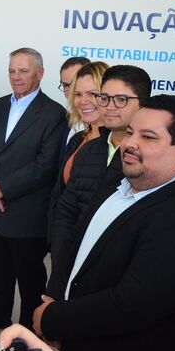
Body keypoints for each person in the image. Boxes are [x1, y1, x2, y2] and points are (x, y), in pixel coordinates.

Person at [34, 95, 175, 351]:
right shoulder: (121, 180)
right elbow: (80, 249)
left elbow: (131, 305)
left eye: (148, 137)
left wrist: (54, 319)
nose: (130, 143)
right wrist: (57, 298)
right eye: (130, 132)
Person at [0, 47, 66, 330]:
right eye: (12, 71)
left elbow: (45, 165)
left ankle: (28, 326)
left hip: (25, 211)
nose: (16, 77)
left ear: (40, 73)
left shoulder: (54, 114)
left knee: (30, 275)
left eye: (23, 71)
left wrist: (3, 189)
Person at [45, 64, 151, 300]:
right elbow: (67, 209)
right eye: (78, 94)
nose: (109, 105)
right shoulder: (87, 147)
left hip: (110, 279)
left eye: (120, 99)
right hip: (68, 260)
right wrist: (61, 266)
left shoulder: (148, 158)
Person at [47, 61, 108, 263]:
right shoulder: (78, 139)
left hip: (93, 253)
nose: (83, 101)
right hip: (64, 245)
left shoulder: (120, 145)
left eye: (93, 94)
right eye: (78, 94)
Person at [57, 57, 90, 144]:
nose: (71, 91)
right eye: (66, 85)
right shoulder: (62, 121)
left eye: (75, 83)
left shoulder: (109, 126)